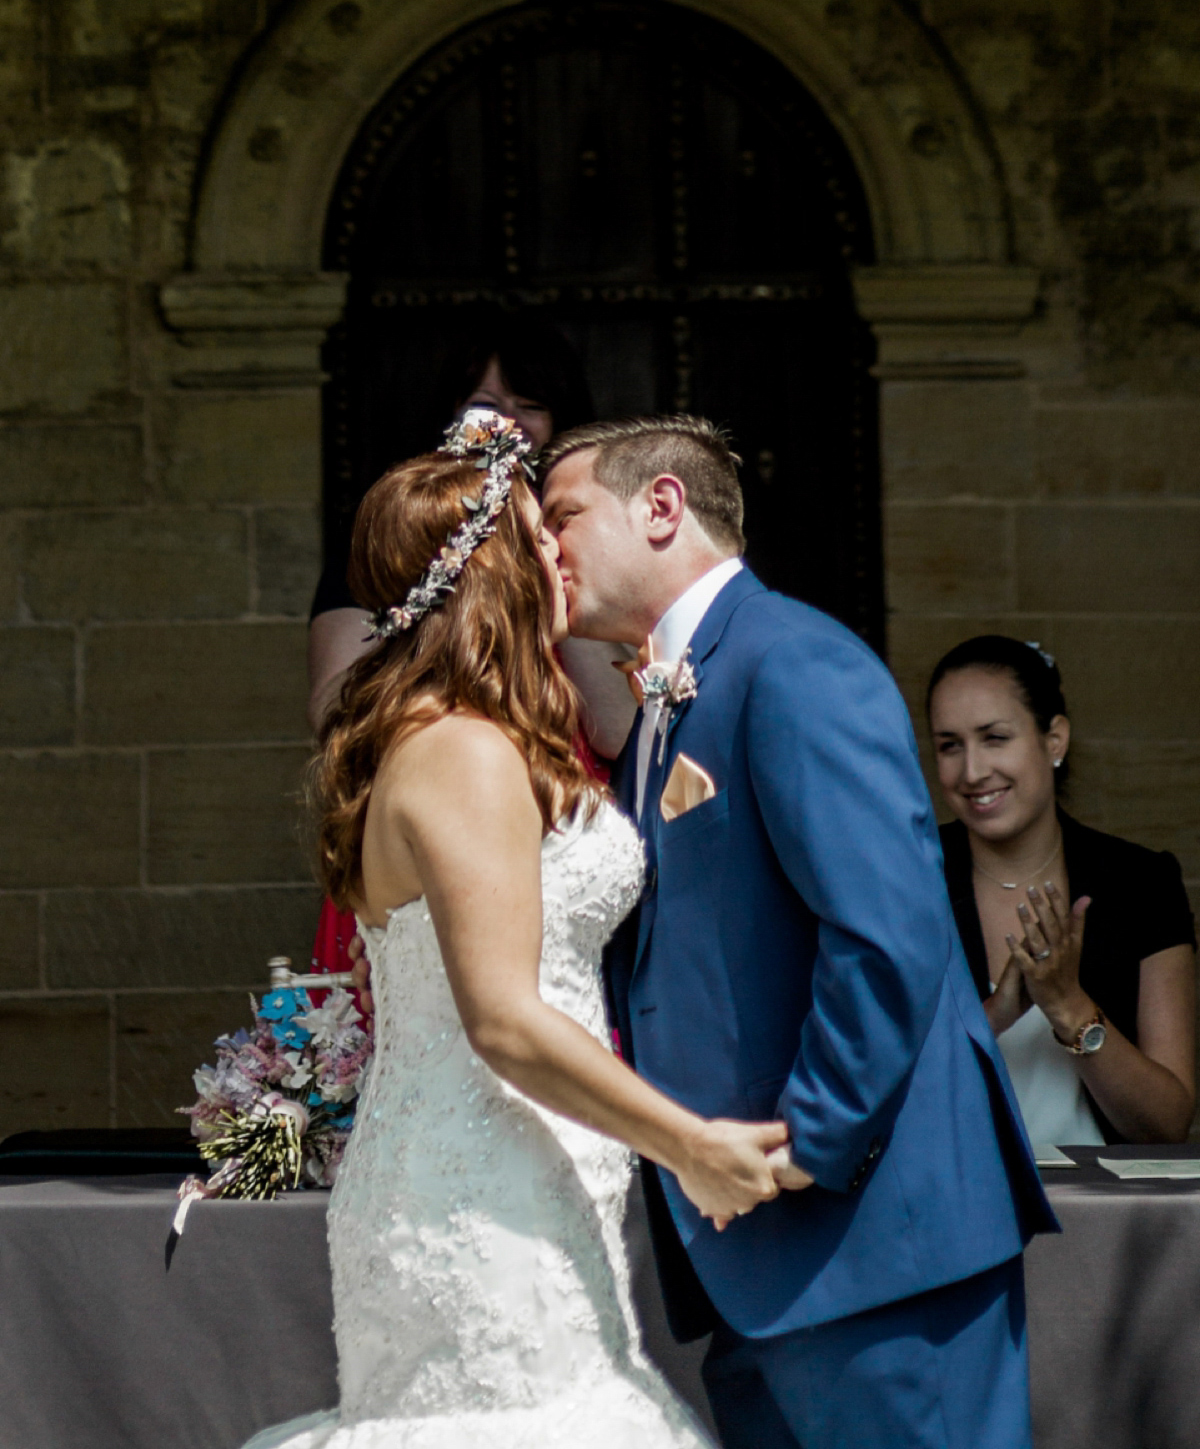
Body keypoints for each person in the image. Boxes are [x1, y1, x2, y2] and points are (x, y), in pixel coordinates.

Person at [245, 409, 787, 1449]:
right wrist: (690, 1142)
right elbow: (499, 1014)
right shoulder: (458, 750)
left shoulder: (476, 737)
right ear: (493, 569)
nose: (564, 549)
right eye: (543, 532)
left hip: (520, 1163)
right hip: (475, 1186)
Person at [539, 415, 1057, 1449]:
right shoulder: (657, 707)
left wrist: (800, 1149)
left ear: (662, 506)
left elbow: (886, 934)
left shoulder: (797, 662)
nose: (541, 547)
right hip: (755, 1266)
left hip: (872, 1242)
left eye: (562, 516)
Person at [306, 313, 634, 995]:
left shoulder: (571, 544)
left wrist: (536, 573)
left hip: (557, 798)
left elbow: (615, 726)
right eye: (486, 405)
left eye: (530, 406)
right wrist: (455, 609)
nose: (507, 424)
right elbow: (334, 706)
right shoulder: (392, 538)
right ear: (450, 413)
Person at [927, 635, 1196, 1148]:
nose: (973, 771)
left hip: (1104, 1213)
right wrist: (997, 1014)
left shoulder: (1140, 882)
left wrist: (1068, 1005)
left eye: (995, 738)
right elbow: (873, 1093)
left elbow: (1167, 1123)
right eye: (950, 746)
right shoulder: (907, 881)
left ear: (1054, 740)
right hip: (947, 1207)